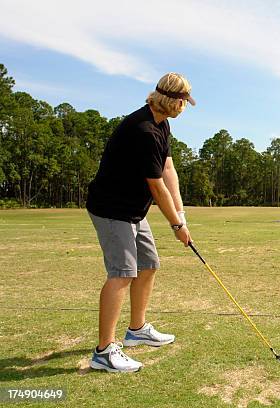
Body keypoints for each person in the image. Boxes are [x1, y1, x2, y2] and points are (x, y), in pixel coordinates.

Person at [86, 73, 195, 372]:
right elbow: (156, 187)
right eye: (184, 102)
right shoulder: (143, 129)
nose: (185, 107)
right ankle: (104, 352)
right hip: (112, 209)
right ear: (172, 101)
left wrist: (181, 215)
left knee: (148, 264)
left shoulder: (162, 124)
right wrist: (176, 226)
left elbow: (168, 167)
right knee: (122, 273)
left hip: (134, 209)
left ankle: (136, 330)